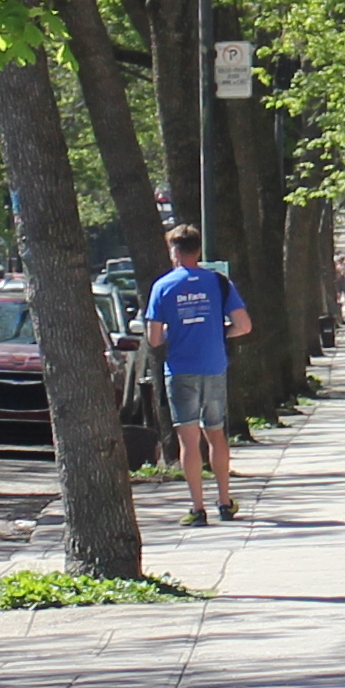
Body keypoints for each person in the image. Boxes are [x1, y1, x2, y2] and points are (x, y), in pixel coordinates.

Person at [142, 223, 251, 525]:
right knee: (216, 433)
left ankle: (197, 508)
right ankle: (225, 502)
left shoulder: (162, 287)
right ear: (198, 250)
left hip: (180, 369)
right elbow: (244, 325)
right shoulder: (218, 283)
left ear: (173, 251)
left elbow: (153, 338)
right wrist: (217, 332)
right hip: (215, 366)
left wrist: (173, 332)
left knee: (189, 440)